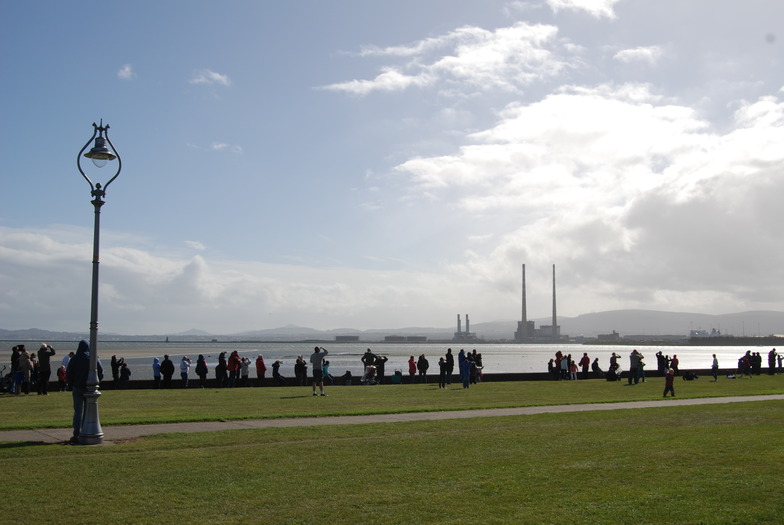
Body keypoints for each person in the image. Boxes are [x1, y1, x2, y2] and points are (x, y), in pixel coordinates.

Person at [66, 340, 90, 444]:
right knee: (87, 412)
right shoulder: (91, 358)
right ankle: (85, 430)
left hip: (77, 387)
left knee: (78, 411)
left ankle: (76, 433)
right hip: (89, 388)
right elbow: (100, 371)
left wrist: (71, 384)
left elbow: (69, 373)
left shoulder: (74, 359)